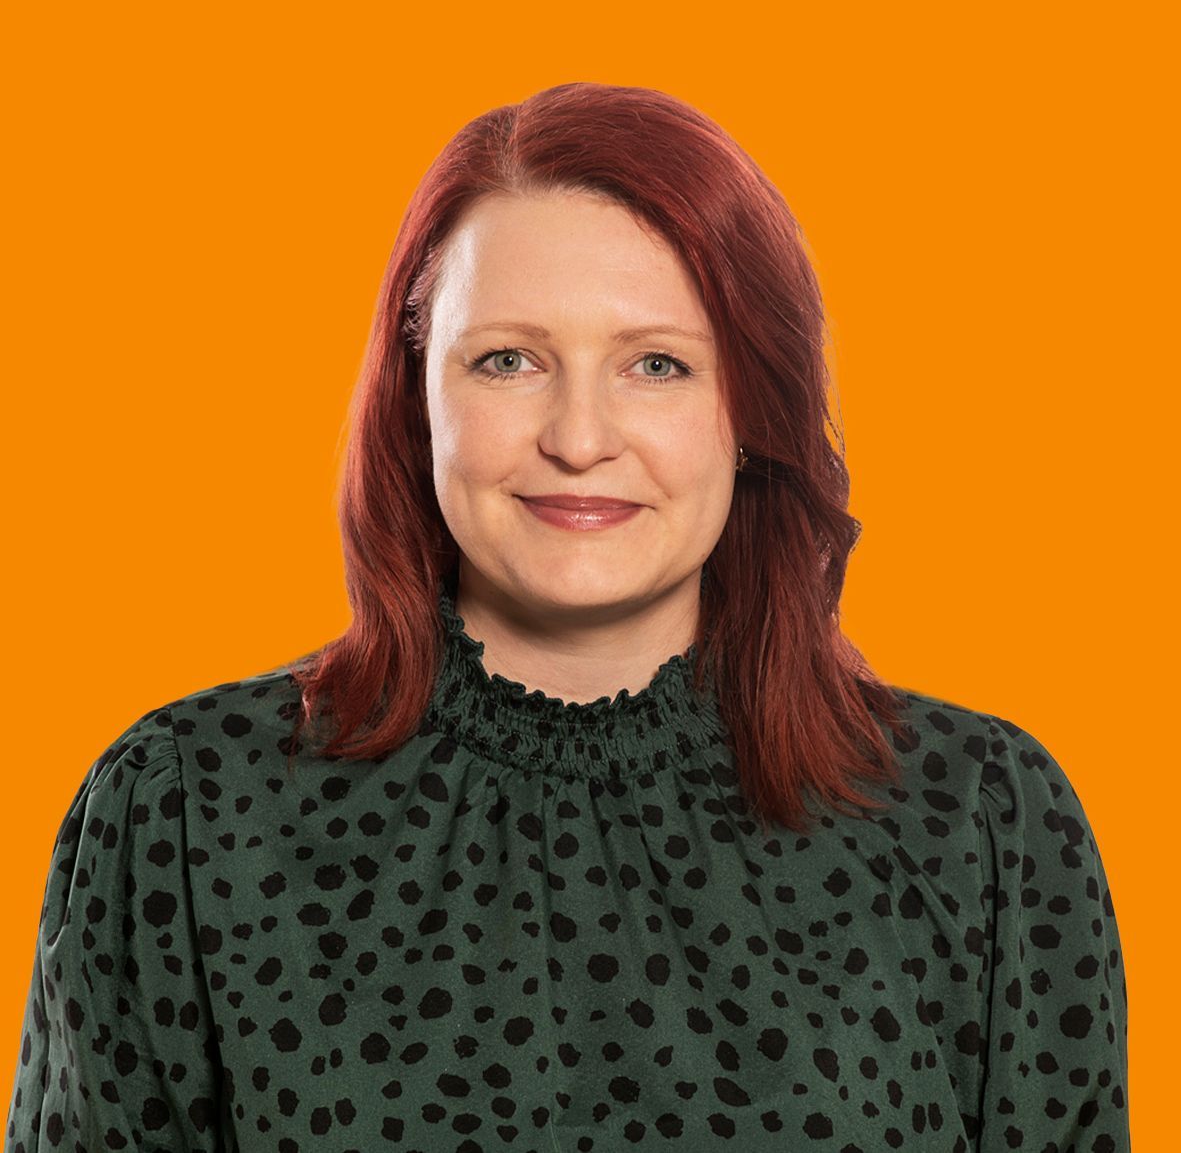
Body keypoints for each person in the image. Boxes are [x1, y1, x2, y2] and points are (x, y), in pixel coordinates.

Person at [4, 82, 1128, 1153]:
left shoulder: (979, 819)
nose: (579, 438)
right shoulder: (185, 812)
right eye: (508, 360)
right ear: (418, 395)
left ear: (752, 409)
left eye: (656, 364)